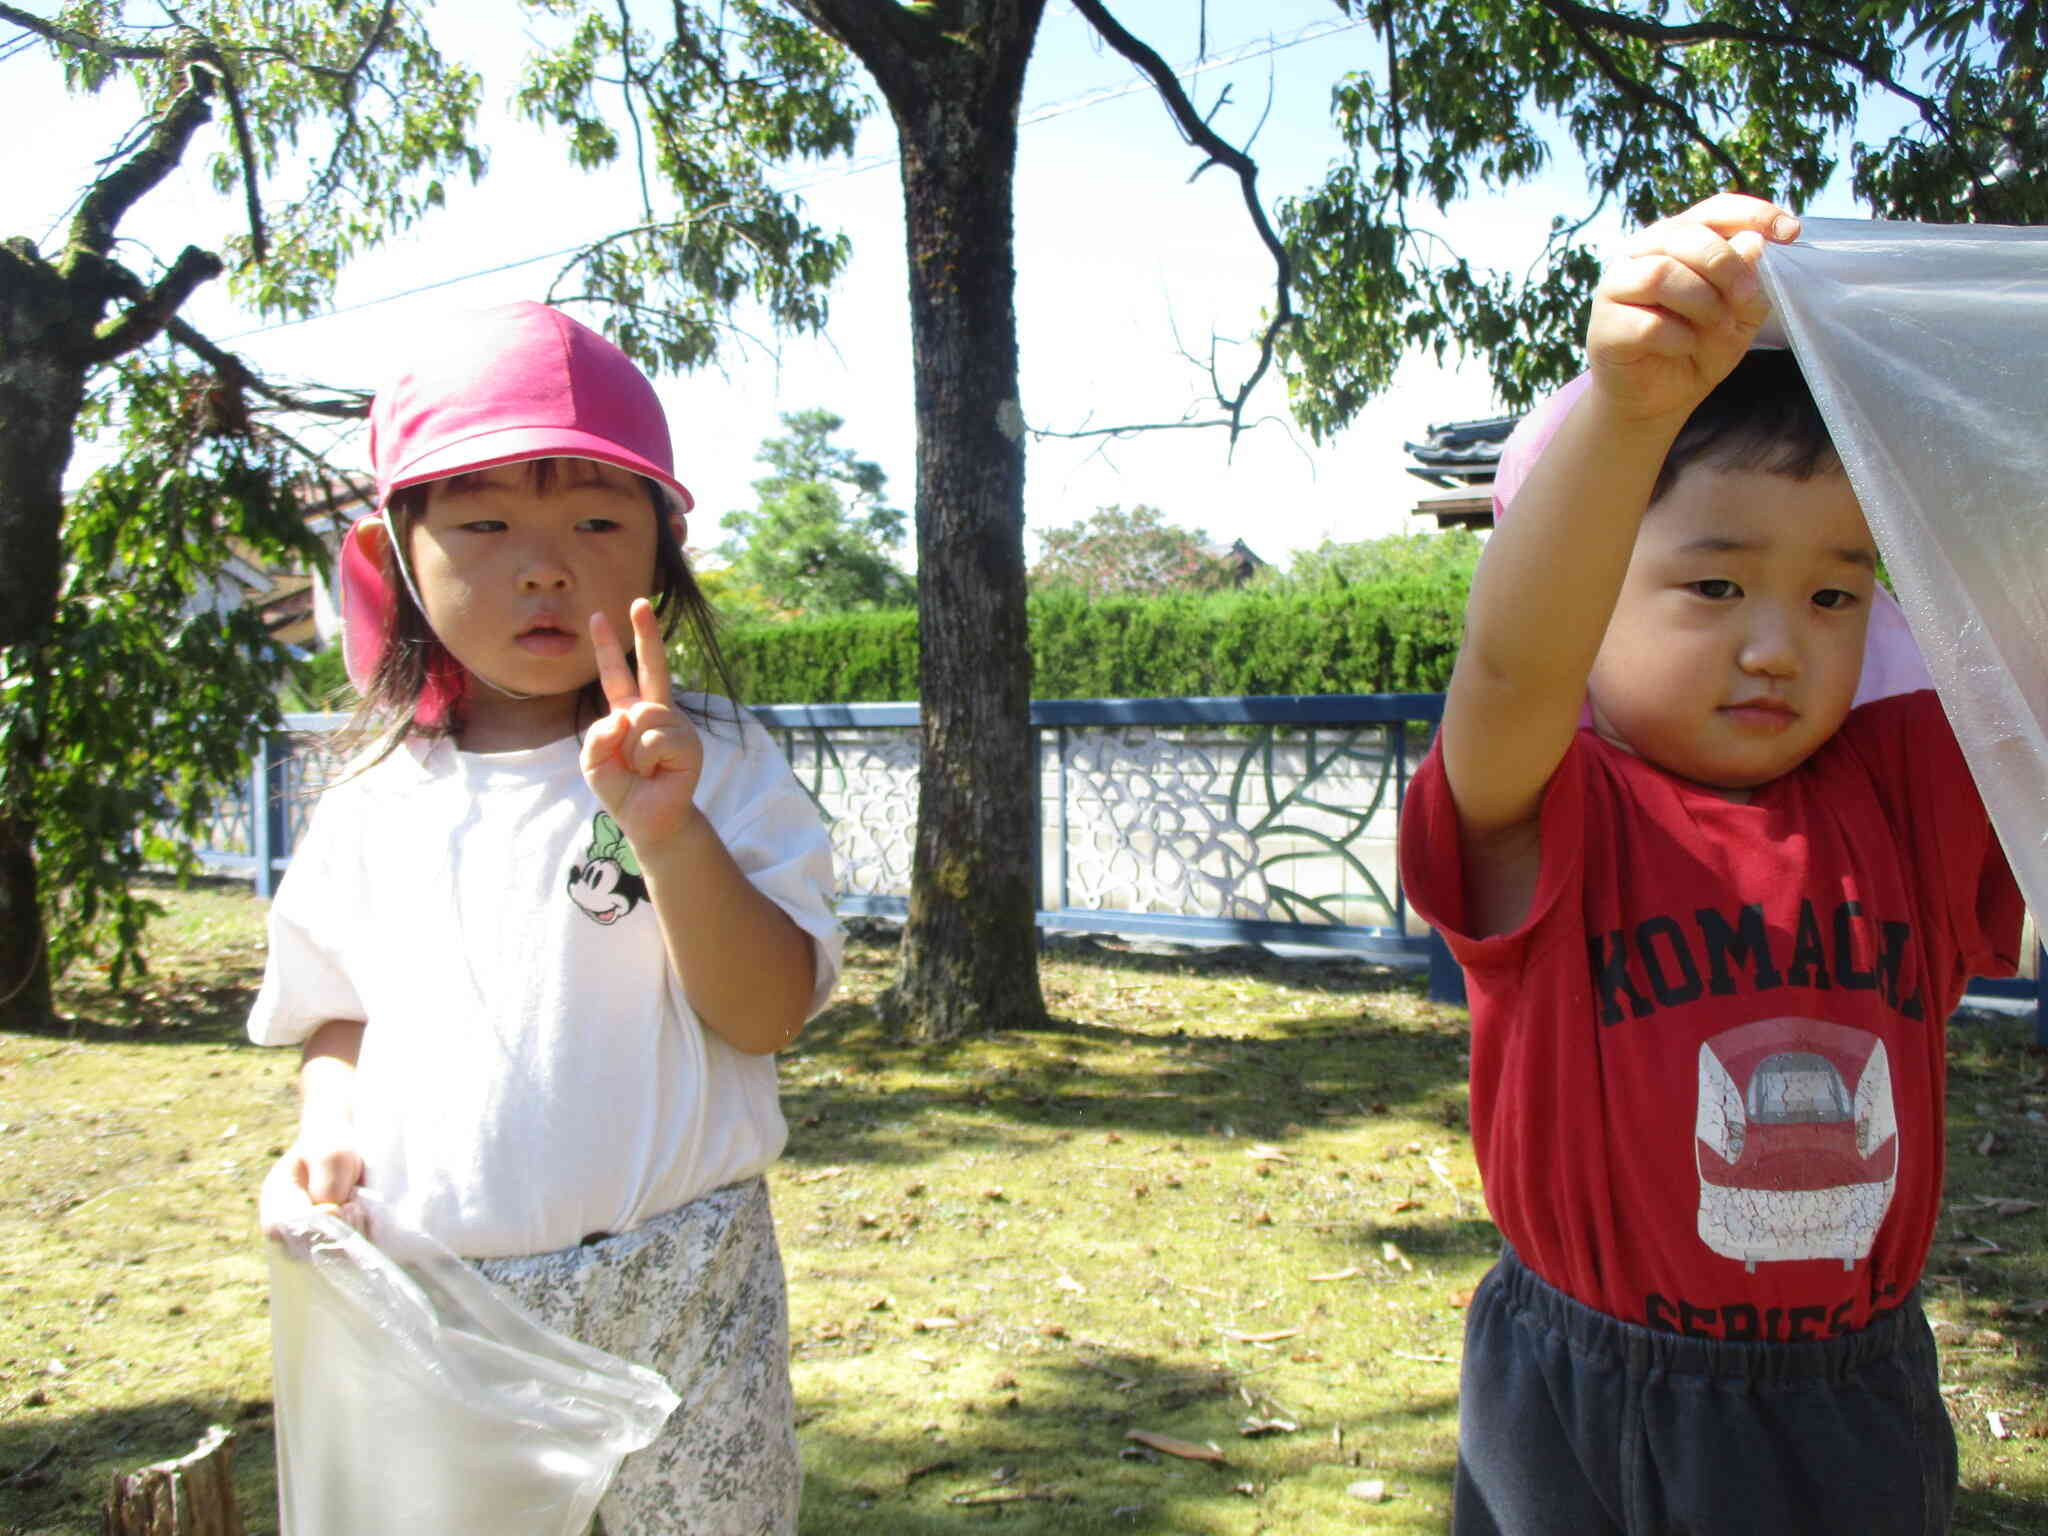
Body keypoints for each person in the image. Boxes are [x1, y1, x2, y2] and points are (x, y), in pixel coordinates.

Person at [1400, 193, 2023, 1536]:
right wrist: (1626, 414)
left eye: (1836, 593)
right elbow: (1510, 662)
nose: (1776, 646)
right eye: (1717, 585)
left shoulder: (1909, 794)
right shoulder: (1549, 808)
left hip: (1851, 1399)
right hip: (1588, 1395)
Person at [249, 300, 842, 1535]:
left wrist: (668, 831)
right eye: (482, 522)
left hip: (689, 1293)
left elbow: (765, 1009)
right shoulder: (372, 801)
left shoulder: (721, 767)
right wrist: (326, 1130)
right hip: (441, 1307)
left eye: (594, 520)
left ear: (661, 553)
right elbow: (336, 1017)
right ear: (396, 553)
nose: (543, 564)